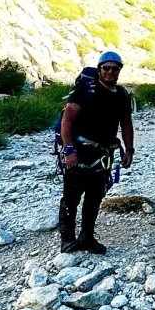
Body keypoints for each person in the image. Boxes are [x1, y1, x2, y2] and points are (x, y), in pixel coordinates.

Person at [58, 51, 134, 254]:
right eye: (106, 67)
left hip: (103, 155)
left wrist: (129, 149)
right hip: (79, 151)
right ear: (100, 69)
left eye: (114, 68)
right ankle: (67, 239)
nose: (110, 71)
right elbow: (67, 119)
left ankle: (87, 236)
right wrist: (68, 149)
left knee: (94, 196)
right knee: (71, 196)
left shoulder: (122, 95)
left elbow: (126, 123)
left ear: (119, 70)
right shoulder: (85, 89)